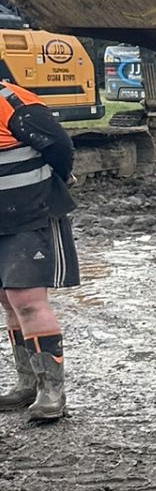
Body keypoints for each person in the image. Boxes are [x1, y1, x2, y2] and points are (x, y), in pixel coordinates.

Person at [0, 56, 78, 420]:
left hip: (29, 215)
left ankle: (52, 391)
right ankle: (27, 382)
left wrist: (55, 181)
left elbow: (60, 147)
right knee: (7, 299)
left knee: (26, 299)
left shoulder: (14, 104)